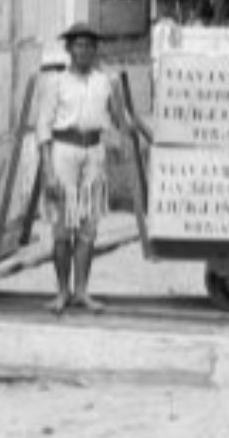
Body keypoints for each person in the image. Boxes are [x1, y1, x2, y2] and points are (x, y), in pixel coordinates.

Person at [38, 23, 152, 316]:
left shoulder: (104, 82)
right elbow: (43, 130)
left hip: (94, 155)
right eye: (78, 45)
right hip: (64, 154)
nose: (84, 51)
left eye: (89, 46)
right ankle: (62, 291)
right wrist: (49, 171)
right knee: (63, 229)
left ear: (95, 50)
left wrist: (139, 129)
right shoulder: (57, 83)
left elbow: (121, 120)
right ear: (69, 49)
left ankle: (81, 292)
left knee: (88, 229)